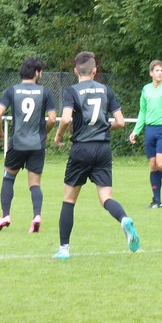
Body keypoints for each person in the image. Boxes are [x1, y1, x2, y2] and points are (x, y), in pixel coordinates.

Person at [52, 51, 139, 259]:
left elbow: (66, 119)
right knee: (106, 197)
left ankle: (64, 249)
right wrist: (105, 128)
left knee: (69, 200)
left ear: (75, 71)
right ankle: (123, 219)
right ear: (95, 71)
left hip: (81, 148)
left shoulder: (71, 91)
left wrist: (58, 135)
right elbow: (120, 122)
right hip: (103, 149)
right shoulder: (106, 90)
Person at [0, 57, 57, 234]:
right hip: (37, 144)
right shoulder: (45, 92)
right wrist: (46, 132)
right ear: (36, 72)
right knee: (35, 184)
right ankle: (36, 216)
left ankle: (5, 215)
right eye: (40, 72)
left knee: (8, 178)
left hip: (17, 143)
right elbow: (52, 119)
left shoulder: (11, 91)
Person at [129, 60, 162, 208]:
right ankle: (156, 201)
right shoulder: (145, 89)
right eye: (157, 70)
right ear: (151, 73)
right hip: (150, 129)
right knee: (153, 165)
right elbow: (142, 111)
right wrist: (136, 131)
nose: (160, 73)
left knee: (161, 164)